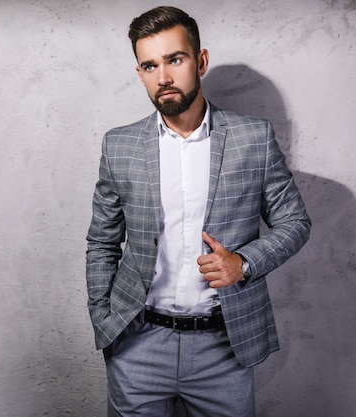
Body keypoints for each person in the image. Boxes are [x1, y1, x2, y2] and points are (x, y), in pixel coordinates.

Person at [85, 6, 311, 417]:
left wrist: (242, 263)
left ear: (201, 61)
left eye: (175, 59)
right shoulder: (118, 146)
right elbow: (102, 240)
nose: (164, 77)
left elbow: (295, 222)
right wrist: (105, 320)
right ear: (140, 73)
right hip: (137, 344)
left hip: (223, 347)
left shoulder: (253, 138)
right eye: (149, 65)